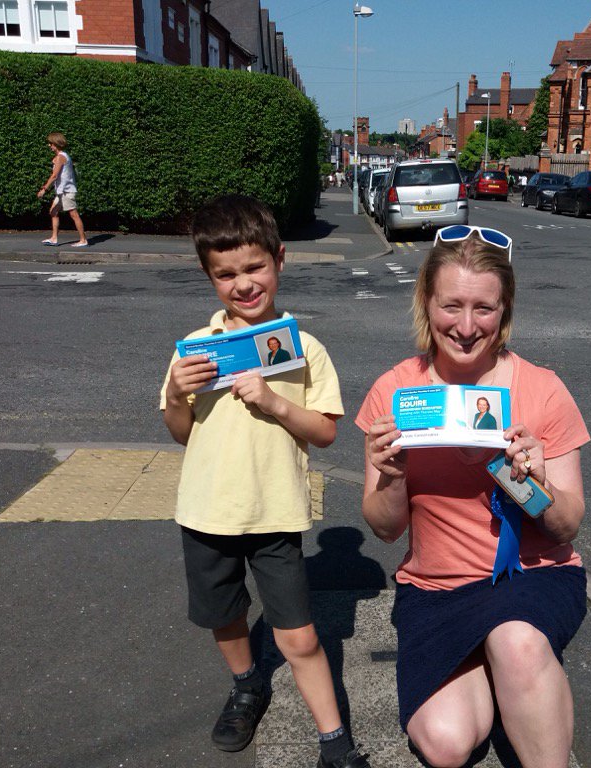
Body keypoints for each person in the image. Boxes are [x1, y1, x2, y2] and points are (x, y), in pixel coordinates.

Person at [357, 224, 589, 768]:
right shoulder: (395, 390)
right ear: (426, 302)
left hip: (530, 578)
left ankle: (516, 660)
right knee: (445, 744)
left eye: (483, 308)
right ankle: (504, 667)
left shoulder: (543, 389)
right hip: (437, 586)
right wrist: (392, 475)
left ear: (504, 310)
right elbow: (385, 529)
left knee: (517, 641)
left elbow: (567, 526)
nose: (465, 327)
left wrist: (530, 481)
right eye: (451, 306)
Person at [161, 195, 371, 768]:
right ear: (209, 276)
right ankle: (247, 684)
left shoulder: (304, 350)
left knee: (299, 636)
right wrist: (177, 393)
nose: (243, 284)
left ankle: (334, 741)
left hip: (275, 511)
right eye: (225, 274)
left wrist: (274, 402)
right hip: (206, 509)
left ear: (279, 259)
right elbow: (181, 432)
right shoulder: (195, 352)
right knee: (224, 616)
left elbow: (325, 432)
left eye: (254, 267)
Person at [37, 132, 88, 247]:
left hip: (66, 192)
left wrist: (44, 189)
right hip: (61, 192)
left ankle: (83, 240)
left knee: (74, 214)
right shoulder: (62, 156)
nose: (49, 145)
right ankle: (54, 238)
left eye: (51, 143)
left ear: (56, 144)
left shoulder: (61, 157)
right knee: (53, 212)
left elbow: (54, 176)